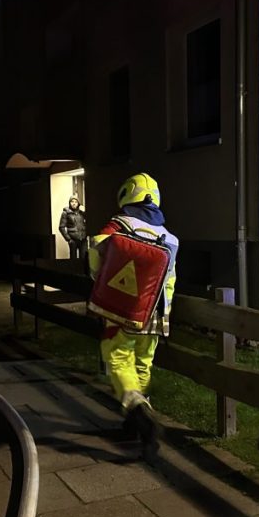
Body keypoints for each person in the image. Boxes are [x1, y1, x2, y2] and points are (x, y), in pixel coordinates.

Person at [88, 173, 179, 461]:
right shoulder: (170, 238)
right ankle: (135, 423)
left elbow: (95, 257)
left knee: (116, 358)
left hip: (122, 311)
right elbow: (171, 281)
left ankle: (137, 408)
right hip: (154, 315)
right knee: (142, 362)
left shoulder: (118, 225)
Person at [58, 196, 87, 261]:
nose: (74, 203)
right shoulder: (66, 213)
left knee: (84, 259)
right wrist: (68, 239)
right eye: (72, 201)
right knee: (73, 260)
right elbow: (61, 227)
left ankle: (82, 271)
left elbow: (90, 221)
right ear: (69, 203)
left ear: (78, 203)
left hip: (83, 239)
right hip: (73, 240)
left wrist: (85, 211)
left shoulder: (81, 213)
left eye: (76, 202)